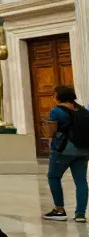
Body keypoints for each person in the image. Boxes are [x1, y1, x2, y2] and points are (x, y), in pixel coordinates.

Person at [43, 85, 89, 222]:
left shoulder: (56, 111)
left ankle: (59, 210)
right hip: (84, 150)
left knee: (53, 177)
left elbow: (51, 132)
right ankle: (80, 214)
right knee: (81, 181)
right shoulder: (82, 110)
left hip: (64, 150)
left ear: (58, 96)